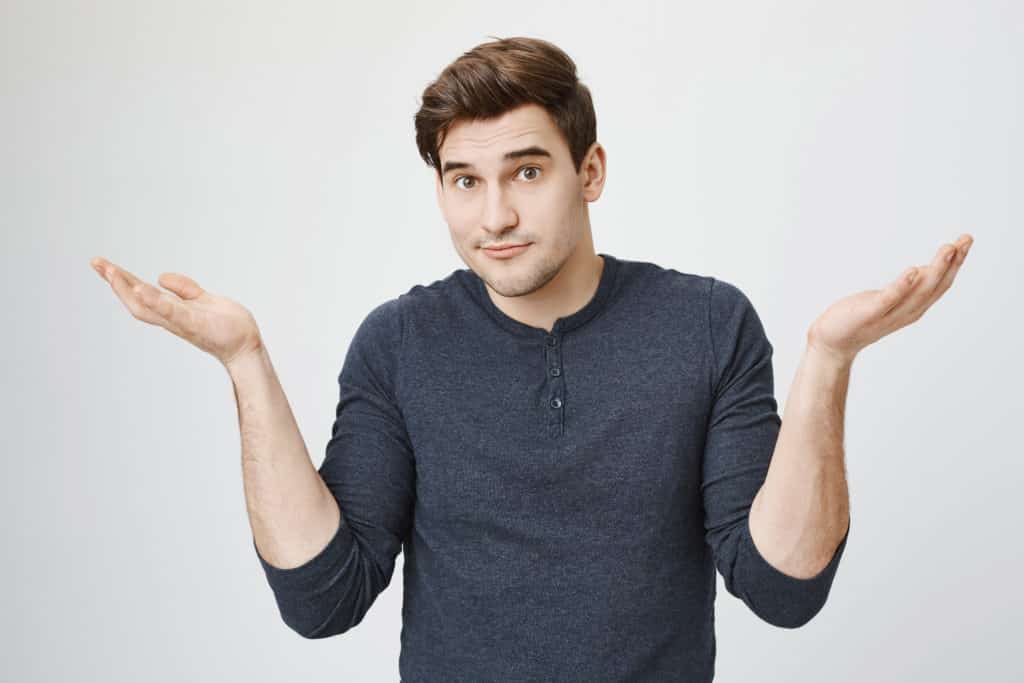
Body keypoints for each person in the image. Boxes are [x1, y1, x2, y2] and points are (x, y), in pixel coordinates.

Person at [91, 35, 972, 682]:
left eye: (526, 171)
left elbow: (783, 588)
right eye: (464, 180)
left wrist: (828, 360)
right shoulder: (399, 343)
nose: (496, 217)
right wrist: (245, 360)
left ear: (588, 171)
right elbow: (325, 599)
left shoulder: (707, 323)